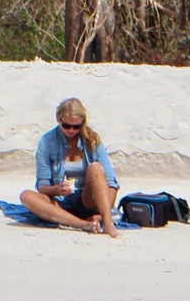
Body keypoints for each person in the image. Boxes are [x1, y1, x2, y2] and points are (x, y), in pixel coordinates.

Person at [18, 98, 119, 236]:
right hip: (61, 201)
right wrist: (57, 189)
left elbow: (111, 183)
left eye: (76, 126)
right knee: (26, 196)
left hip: (88, 198)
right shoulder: (47, 141)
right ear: (59, 120)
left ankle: (107, 224)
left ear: (82, 123)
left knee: (95, 167)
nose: (71, 130)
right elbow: (42, 186)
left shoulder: (92, 140)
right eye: (66, 126)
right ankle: (83, 224)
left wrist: (105, 215)